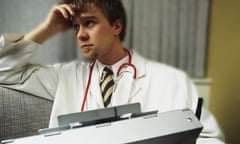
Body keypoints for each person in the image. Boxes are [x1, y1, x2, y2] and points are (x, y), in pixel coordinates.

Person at [0, 0, 225, 143]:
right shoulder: (64, 76)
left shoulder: (171, 80)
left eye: (89, 23)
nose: (80, 35)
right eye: (76, 27)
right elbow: (4, 72)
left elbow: (210, 138)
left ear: (116, 27)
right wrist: (46, 30)